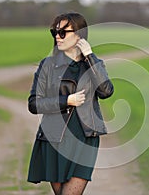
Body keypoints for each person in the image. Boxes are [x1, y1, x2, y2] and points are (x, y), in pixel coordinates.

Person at [27, 12, 114, 195]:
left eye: (63, 33)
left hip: (85, 139)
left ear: (79, 35)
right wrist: (66, 101)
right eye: (55, 32)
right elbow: (34, 104)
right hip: (54, 140)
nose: (58, 37)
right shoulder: (47, 65)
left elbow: (106, 91)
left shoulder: (92, 64)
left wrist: (89, 55)